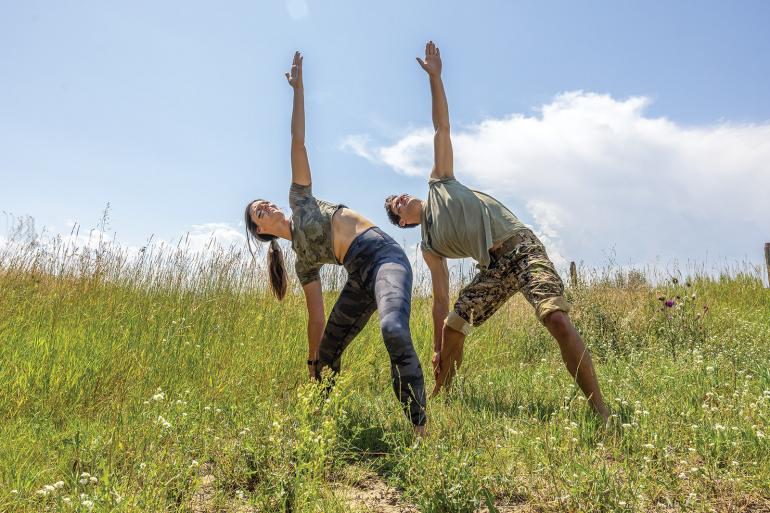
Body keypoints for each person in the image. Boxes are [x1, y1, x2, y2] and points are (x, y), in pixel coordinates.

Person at [384, 41, 609, 422]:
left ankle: (601, 411)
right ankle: (444, 397)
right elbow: (439, 302)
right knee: (455, 324)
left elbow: (442, 126)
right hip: (493, 268)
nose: (402, 199)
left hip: (520, 246)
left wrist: (436, 79)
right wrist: (438, 346)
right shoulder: (429, 246)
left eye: (401, 196)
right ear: (404, 222)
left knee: (554, 317)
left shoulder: (439, 182)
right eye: (396, 206)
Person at [245, 51, 427, 433]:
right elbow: (316, 317)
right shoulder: (300, 261)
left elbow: (298, 142)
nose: (266, 207)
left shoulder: (300, 200)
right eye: (258, 213)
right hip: (357, 276)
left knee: (393, 329)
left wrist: (298, 90)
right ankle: (322, 424)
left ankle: (420, 428)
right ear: (262, 231)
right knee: (328, 355)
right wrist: (312, 364)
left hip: (383, 256)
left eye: (263, 203)